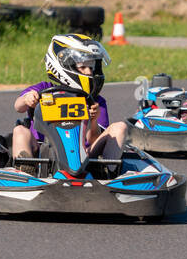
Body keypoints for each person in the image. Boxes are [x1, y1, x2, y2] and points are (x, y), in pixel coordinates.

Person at [11, 34, 128, 171]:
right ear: (64, 64)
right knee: (19, 130)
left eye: (91, 67)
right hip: (43, 154)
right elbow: (18, 106)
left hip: (84, 156)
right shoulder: (44, 89)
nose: (89, 72)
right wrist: (27, 99)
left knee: (120, 127)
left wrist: (93, 121)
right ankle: (25, 172)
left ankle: (108, 173)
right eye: (83, 67)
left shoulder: (95, 100)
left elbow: (93, 140)